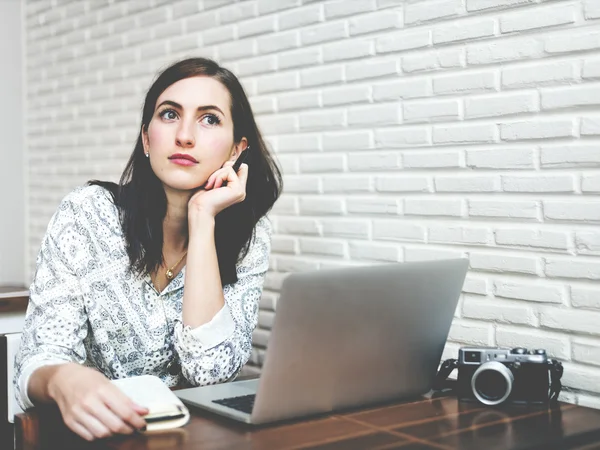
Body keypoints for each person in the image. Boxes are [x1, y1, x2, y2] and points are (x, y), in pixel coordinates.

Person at [13, 57, 282, 441]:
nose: (185, 135)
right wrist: (61, 378)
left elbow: (211, 372)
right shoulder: (87, 214)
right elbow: (37, 360)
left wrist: (202, 217)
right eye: (169, 114)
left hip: (191, 438)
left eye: (209, 119)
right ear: (146, 138)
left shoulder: (249, 239)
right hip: (92, 436)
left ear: (237, 150)